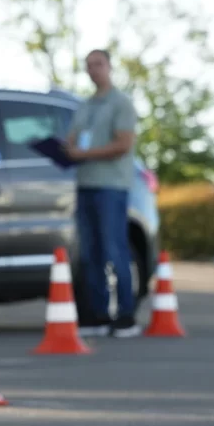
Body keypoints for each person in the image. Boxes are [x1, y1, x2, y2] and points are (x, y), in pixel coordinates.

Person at [63, 49, 141, 338]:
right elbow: (72, 141)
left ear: (109, 66)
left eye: (98, 64)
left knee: (114, 249)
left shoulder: (121, 104)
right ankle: (96, 315)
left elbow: (122, 144)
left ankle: (125, 315)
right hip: (85, 185)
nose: (93, 70)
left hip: (111, 186)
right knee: (89, 253)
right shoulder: (84, 106)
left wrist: (85, 153)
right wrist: (65, 151)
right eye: (88, 66)